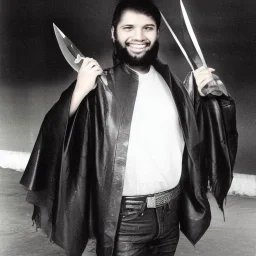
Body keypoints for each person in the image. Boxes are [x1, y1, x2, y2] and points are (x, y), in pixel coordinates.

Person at [20, 0, 238, 256]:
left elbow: (195, 139)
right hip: (124, 220)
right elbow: (52, 135)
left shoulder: (173, 84)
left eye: (148, 28)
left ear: (157, 33)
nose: (138, 36)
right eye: (128, 28)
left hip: (171, 215)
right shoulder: (101, 87)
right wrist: (79, 90)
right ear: (114, 33)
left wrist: (209, 95)